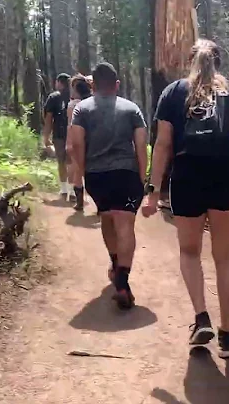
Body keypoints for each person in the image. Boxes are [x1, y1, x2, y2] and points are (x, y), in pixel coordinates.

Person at [142, 39, 229, 358]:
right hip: (226, 176)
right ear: (218, 63)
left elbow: (162, 145)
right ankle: (228, 336)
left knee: (190, 252)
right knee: (226, 259)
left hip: (188, 175)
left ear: (188, 62)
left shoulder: (173, 92)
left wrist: (152, 192)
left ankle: (201, 317)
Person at [68, 63, 148, 310]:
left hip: (96, 175)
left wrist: (81, 172)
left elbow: (76, 144)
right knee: (125, 223)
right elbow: (141, 145)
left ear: (93, 85)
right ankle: (122, 280)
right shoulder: (132, 109)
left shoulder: (82, 109)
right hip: (126, 174)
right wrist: (143, 177)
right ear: (116, 85)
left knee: (107, 217)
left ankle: (115, 263)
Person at [66, 74, 93, 211]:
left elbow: (71, 126)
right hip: (94, 140)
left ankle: (80, 202)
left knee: (78, 171)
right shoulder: (94, 102)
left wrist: (69, 143)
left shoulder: (73, 105)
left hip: (78, 141)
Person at [43, 73, 72, 198]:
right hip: (74, 134)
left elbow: (49, 118)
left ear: (59, 82)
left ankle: (64, 189)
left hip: (59, 135)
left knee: (61, 161)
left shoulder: (53, 97)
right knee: (72, 161)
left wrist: (46, 136)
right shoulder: (75, 96)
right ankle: (73, 188)